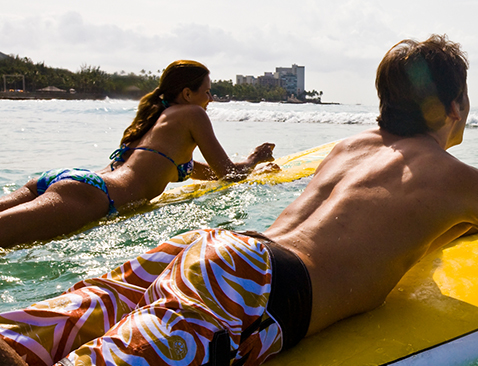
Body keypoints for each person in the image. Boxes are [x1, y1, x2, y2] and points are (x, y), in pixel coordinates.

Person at [0, 35, 478, 366]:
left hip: (209, 252)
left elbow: (376, 229)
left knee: (22, 342)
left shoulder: (350, 146)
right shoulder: (467, 182)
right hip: (252, 293)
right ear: (452, 109)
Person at [0, 60, 276, 248]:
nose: (211, 99)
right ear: (188, 94)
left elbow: (205, 172)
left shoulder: (155, 122)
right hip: (95, 196)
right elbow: (226, 173)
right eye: (207, 92)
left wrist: (249, 164)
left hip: (73, 182)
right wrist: (254, 161)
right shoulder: (193, 114)